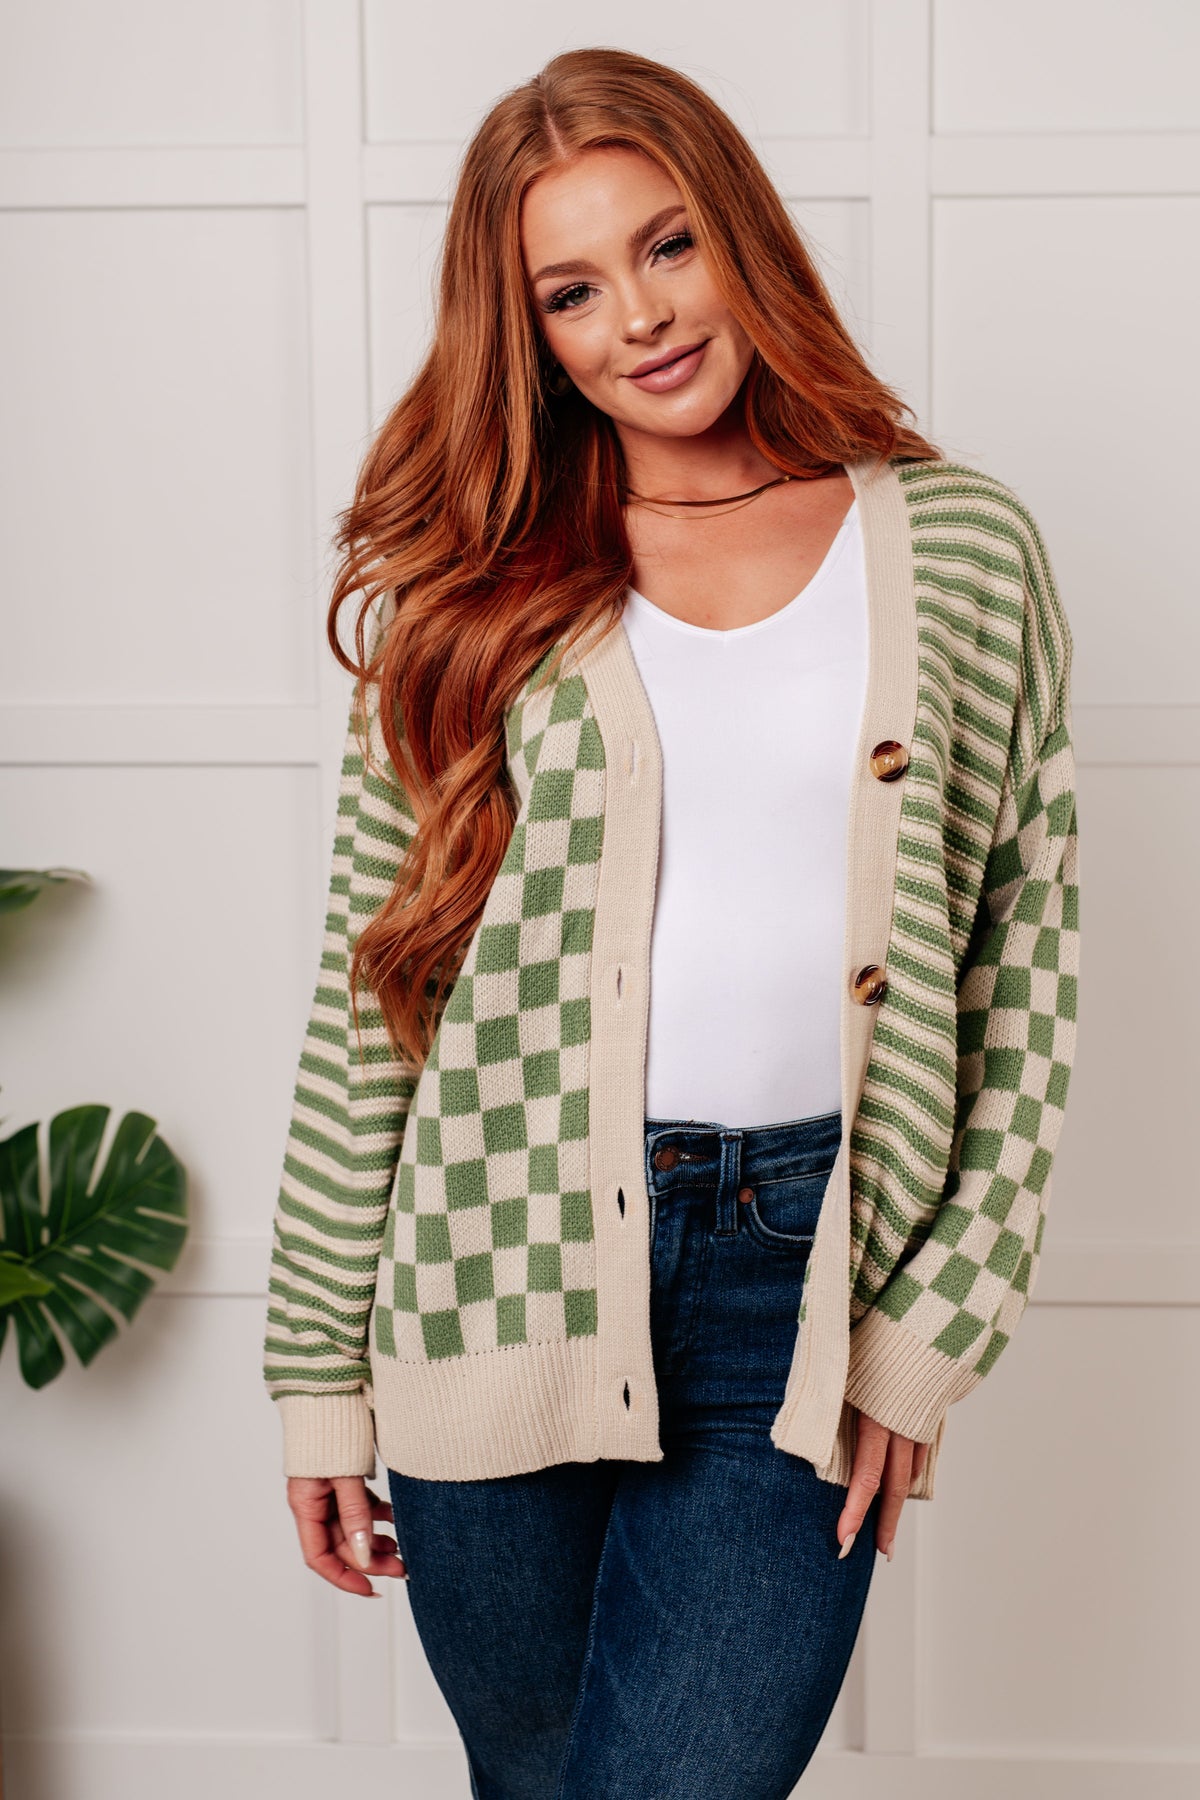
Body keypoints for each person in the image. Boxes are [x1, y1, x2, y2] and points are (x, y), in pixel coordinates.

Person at [261, 45, 1079, 1800]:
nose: (636, 316)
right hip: (495, 1267)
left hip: (804, 1275)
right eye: (570, 289)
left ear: (740, 237)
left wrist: (932, 1331)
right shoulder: (466, 591)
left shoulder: (958, 551)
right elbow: (370, 1000)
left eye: (667, 245)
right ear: (527, 331)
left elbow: (1027, 968)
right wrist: (315, 1374)